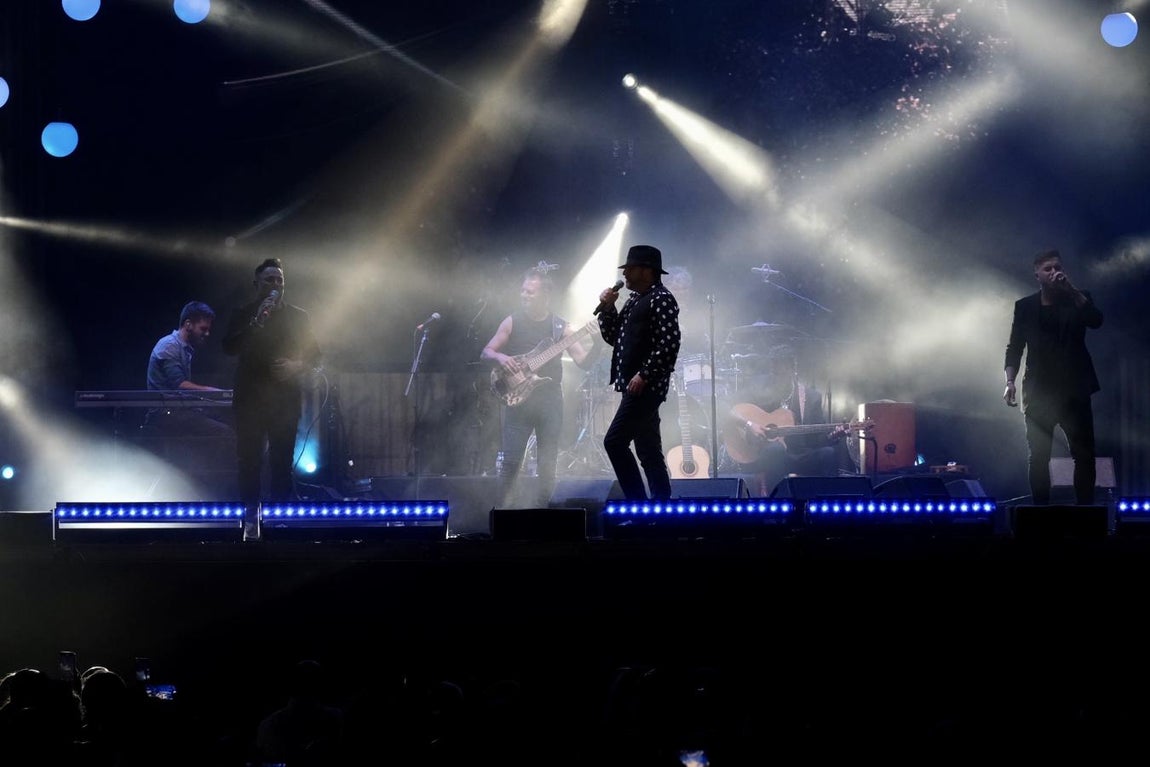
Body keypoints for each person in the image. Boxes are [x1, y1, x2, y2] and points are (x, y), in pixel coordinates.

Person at [482, 266, 595, 507]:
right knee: (511, 462)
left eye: (530, 292)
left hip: (549, 402)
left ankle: (544, 513)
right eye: (523, 290)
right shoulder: (512, 321)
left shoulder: (562, 328)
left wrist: (598, 344)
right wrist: (502, 358)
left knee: (547, 463)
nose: (524, 295)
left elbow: (584, 362)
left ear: (545, 295)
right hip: (517, 400)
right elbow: (486, 351)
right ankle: (503, 513)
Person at [223, 258, 321, 522]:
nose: (276, 284)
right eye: (270, 279)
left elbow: (316, 355)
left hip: (285, 399)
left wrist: (295, 365)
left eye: (280, 280)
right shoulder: (243, 314)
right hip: (250, 399)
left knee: (281, 462)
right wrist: (256, 321)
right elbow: (229, 347)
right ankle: (249, 519)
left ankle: (279, 520)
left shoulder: (298, 316)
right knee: (249, 461)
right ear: (257, 284)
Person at [1004, 248, 1103, 505]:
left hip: (1075, 390)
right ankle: (1040, 515)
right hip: (1039, 393)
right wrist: (1009, 382)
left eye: (1058, 267)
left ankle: (1085, 513)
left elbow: (1096, 320)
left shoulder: (1079, 299)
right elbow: (1015, 347)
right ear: (1037, 274)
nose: (1054, 272)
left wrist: (1071, 289)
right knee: (1038, 457)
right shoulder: (1024, 307)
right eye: (1048, 268)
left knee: (1084, 455)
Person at [596, 245, 681, 500]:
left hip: (646, 387)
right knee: (648, 451)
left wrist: (644, 374)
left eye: (630, 269)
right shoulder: (634, 300)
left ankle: (638, 505)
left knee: (614, 442)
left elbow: (670, 343)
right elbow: (616, 338)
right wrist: (608, 309)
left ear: (646, 271)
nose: (626, 274)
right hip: (634, 386)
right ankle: (660, 510)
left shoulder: (662, 299)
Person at [718, 344, 848, 497]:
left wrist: (832, 436)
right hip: (762, 456)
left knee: (829, 454)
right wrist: (748, 424)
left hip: (800, 455)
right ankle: (776, 504)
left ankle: (824, 506)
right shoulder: (759, 391)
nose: (776, 376)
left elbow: (816, 441)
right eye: (773, 371)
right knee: (776, 450)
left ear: (792, 370)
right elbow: (722, 406)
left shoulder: (811, 398)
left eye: (781, 371)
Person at [144, 300, 232, 437]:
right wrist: (216, 392)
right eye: (203, 329)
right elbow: (180, 385)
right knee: (224, 433)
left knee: (227, 421)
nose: (207, 333)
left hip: (177, 412)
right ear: (188, 324)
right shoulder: (169, 346)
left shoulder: (184, 348)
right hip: (165, 415)